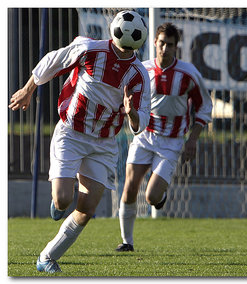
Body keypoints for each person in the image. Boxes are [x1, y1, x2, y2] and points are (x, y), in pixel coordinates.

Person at [8, 11, 151, 273]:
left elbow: (142, 119)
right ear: (116, 29)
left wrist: (131, 113)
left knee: (86, 210)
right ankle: (59, 200)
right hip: (71, 133)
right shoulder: (89, 49)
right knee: (63, 200)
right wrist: (28, 90)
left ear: (139, 37)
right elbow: (53, 61)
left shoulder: (139, 74)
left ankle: (47, 258)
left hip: (103, 144)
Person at [115, 22, 212, 252]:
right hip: (145, 135)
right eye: (161, 44)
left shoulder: (188, 74)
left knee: (151, 197)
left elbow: (204, 107)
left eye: (169, 44)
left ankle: (160, 195)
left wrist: (192, 140)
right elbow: (129, 98)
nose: (164, 48)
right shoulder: (143, 70)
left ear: (176, 47)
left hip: (172, 142)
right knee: (129, 188)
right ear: (154, 43)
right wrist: (129, 112)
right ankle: (127, 242)